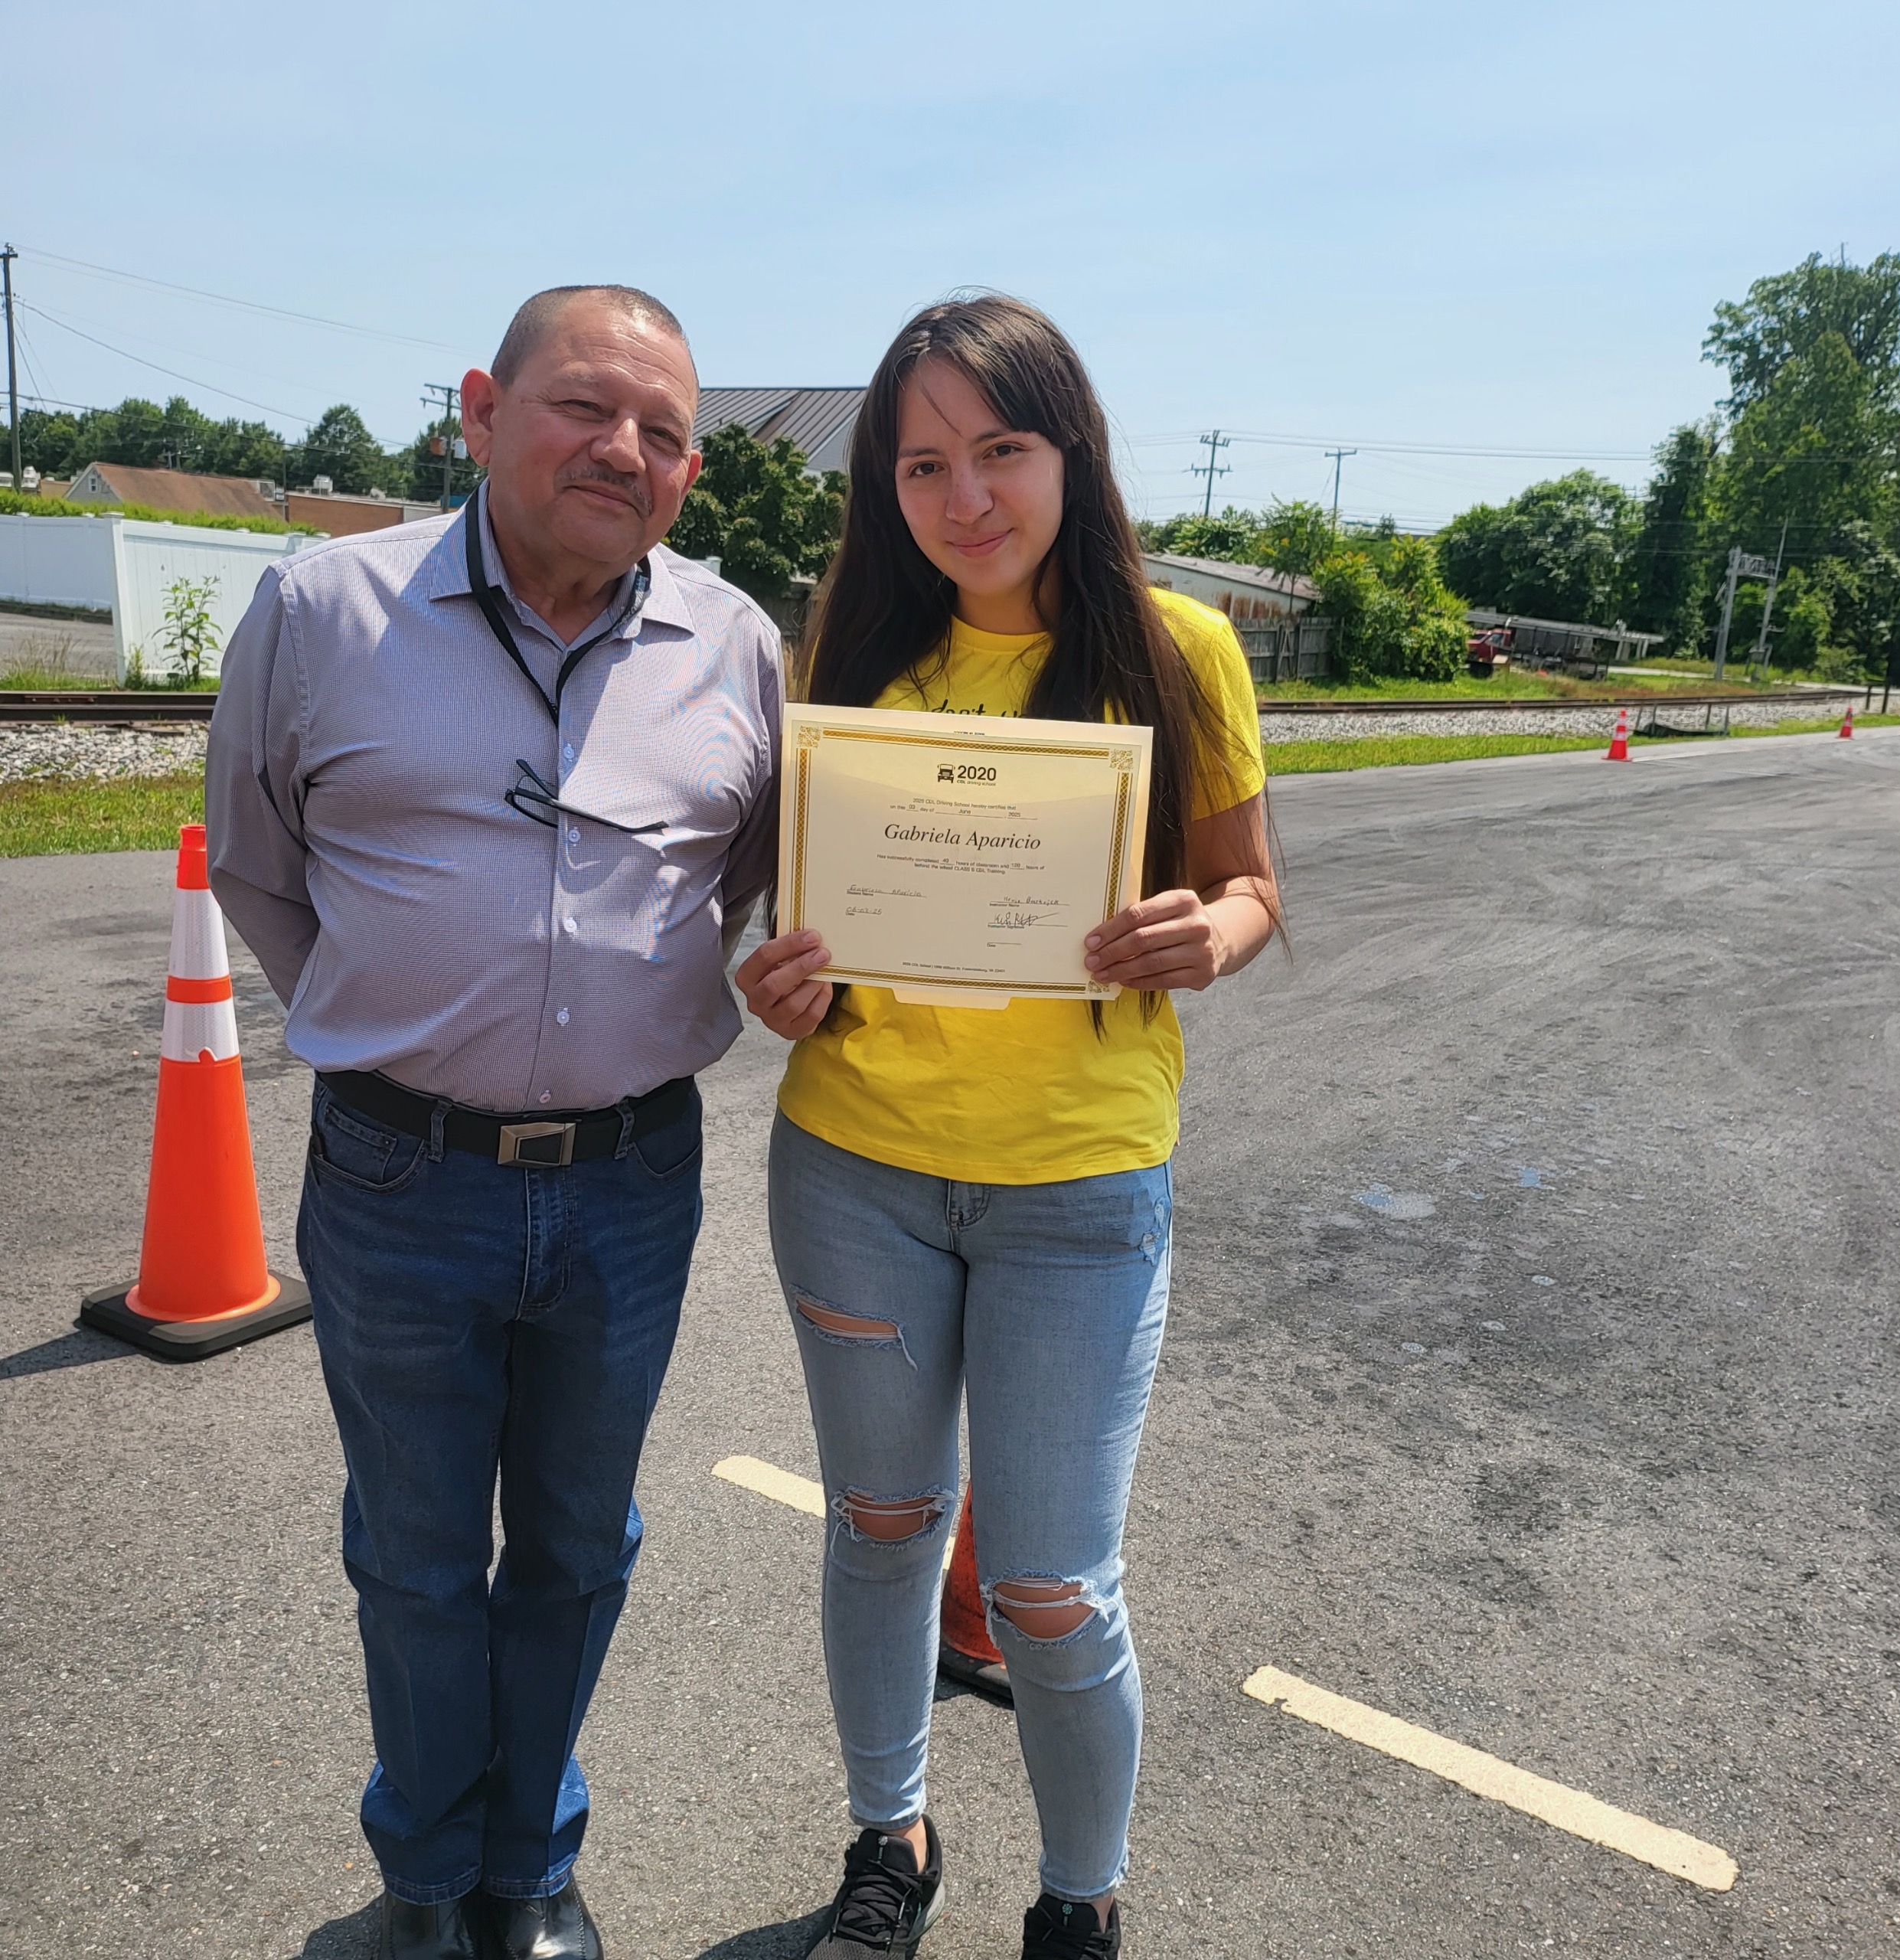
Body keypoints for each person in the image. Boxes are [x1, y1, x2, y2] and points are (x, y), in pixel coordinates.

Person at [206, 286, 781, 1960]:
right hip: (398, 1173)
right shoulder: (323, 605)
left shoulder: (735, 641)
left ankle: (531, 1867)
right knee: (412, 1555)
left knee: (581, 1546)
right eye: (588, 409)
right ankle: (424, 1875)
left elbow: (732, 884)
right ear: (478, 407)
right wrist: (403, 1016)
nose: (627, 451)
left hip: (627, 1180)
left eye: (665, 434)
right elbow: (254, 855)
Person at [736, 295, 1278, 1960]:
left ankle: (1079, 1895)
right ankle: (888, 1838)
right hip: (855, 1165)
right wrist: (782, 983)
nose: (962, 496)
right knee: (882, 1523)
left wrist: (1210, 930)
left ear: (1069, 452)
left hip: (1075, 1185)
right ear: (880, 484)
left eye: (999, 451)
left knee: (1050, 1587)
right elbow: (802, 915)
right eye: (920, 462)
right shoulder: (842, 645)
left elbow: (1249, 884)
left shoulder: (1175, 648)